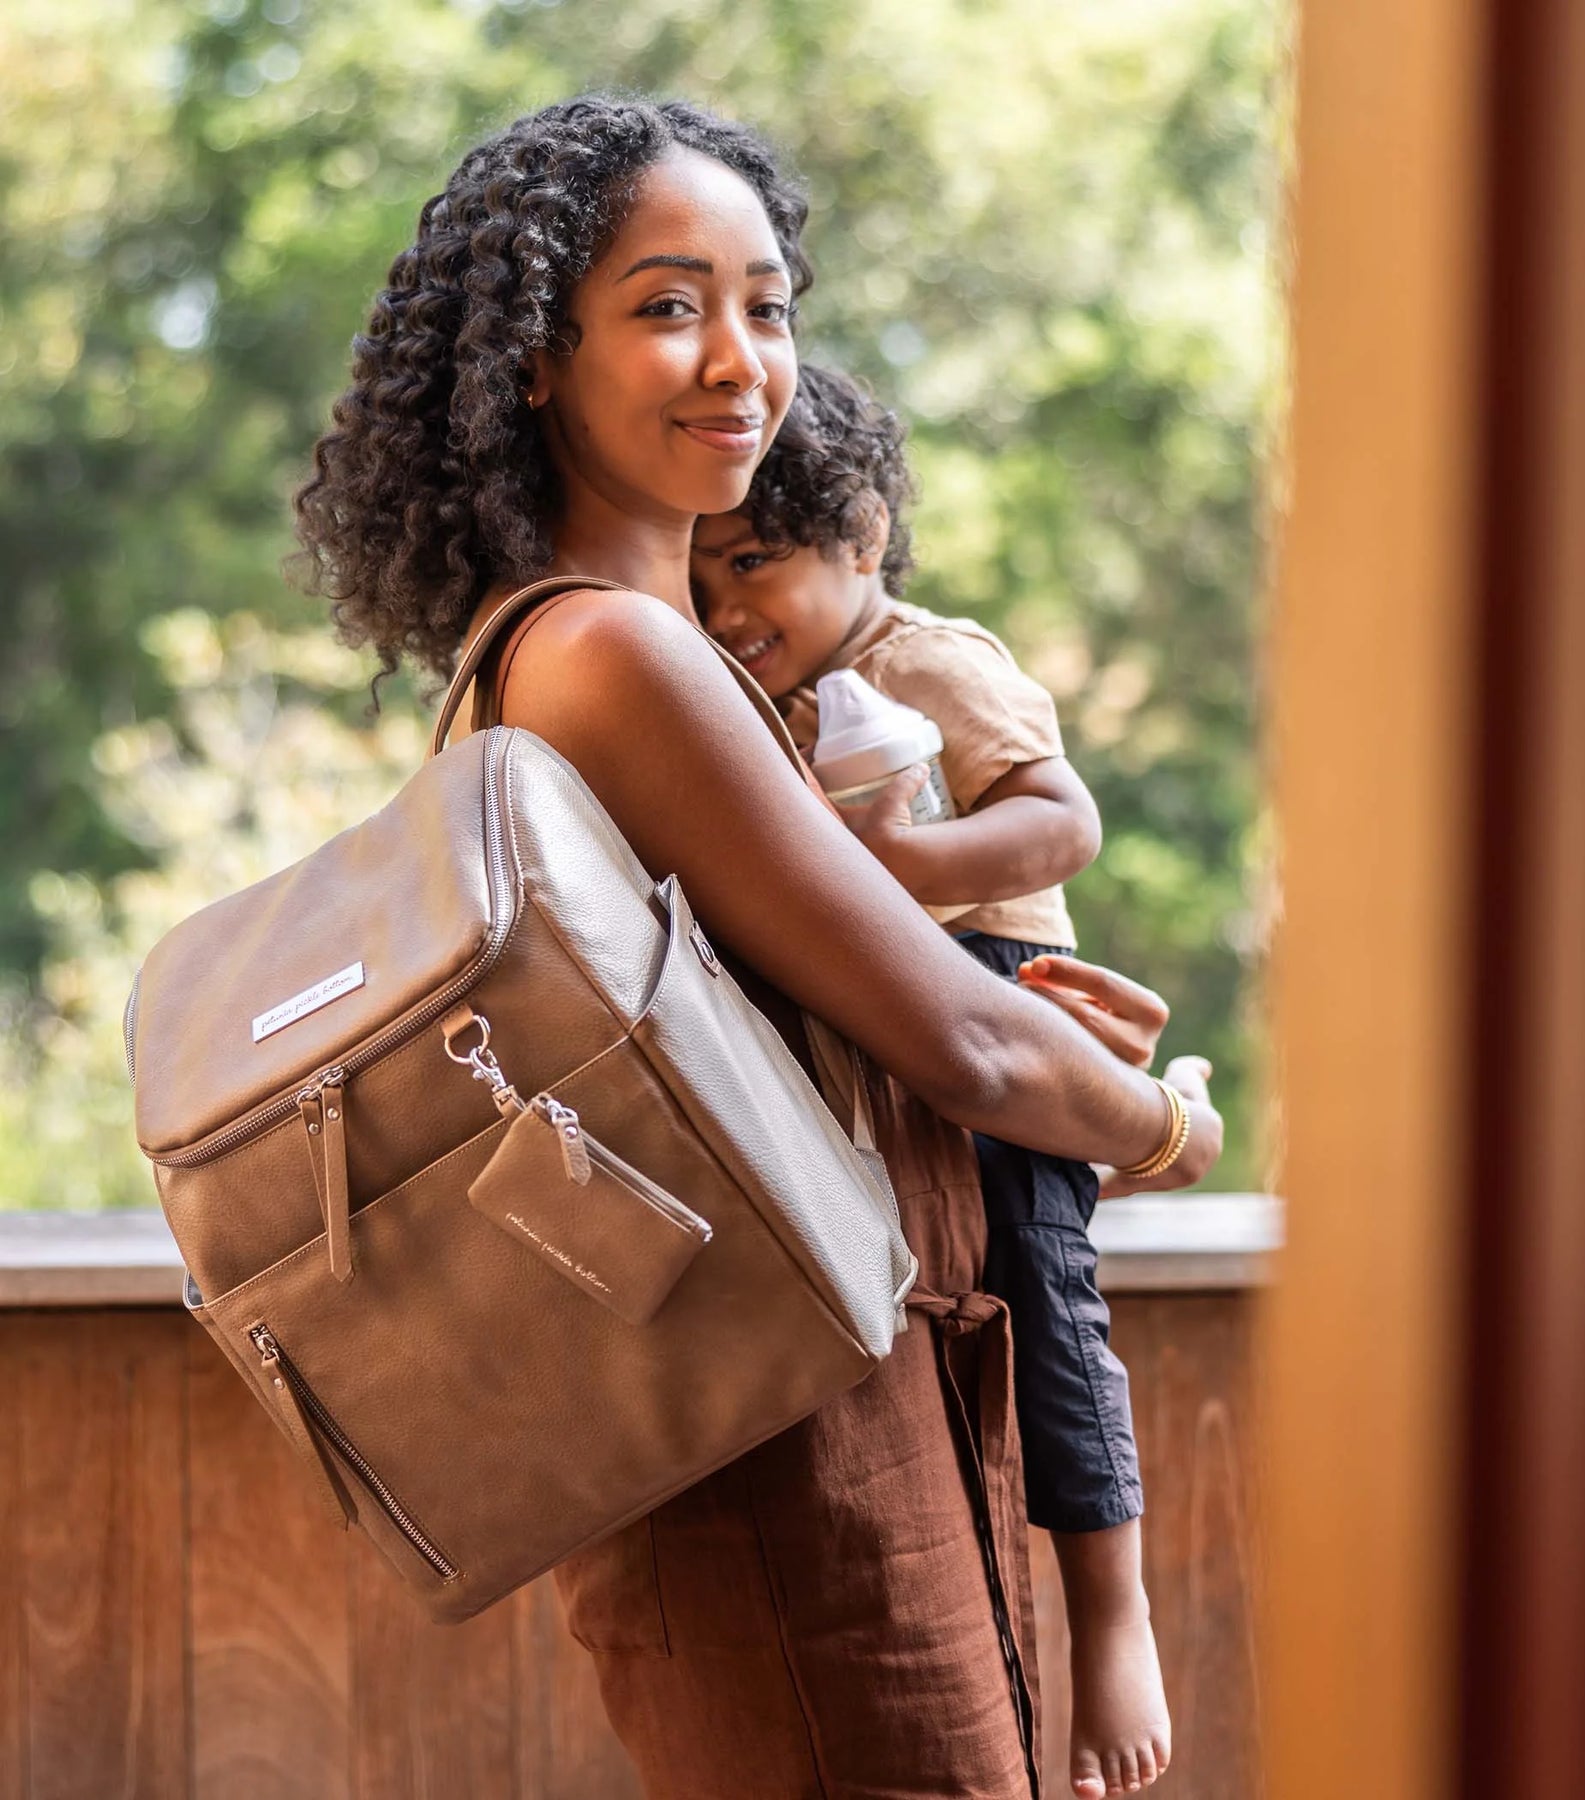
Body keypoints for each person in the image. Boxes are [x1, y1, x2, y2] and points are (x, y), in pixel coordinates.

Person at [295, 95, 1222, 1800]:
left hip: (840, 1432)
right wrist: (1163, 1123)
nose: (738, 359)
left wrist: (976, 1046)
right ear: (530, 365)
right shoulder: (616, 660)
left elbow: (853, 1044)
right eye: (666, 305)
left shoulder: (605, 659)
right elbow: (981, 1047)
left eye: (768, 304)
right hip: (801, 1483)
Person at [691, 362, 1181, 1800]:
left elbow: (1059, 822)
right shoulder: (746, 693)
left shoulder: (928, 659)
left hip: (1004, 1005)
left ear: (861, 532)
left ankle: (1113, 1619)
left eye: (755, 565)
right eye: (704, 578)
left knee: (1055, 1310)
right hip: (880, 1045)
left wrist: (894, 869)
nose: (728, 610)